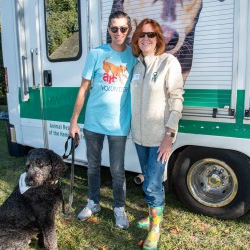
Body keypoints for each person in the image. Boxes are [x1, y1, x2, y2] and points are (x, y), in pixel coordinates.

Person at [68, 11, 137, 229]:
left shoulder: (133, 57)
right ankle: (93, 202)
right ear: (108, 30)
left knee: (117, 170)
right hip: (93, 124)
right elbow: (83, 89)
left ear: (128, 31)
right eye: (114, 29)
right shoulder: (96, 54)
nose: (118, 33)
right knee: (93, 167)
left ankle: (119, 208)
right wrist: (74, 121)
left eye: (123, 29)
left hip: (118, 125)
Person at [130, 19, 184, 249]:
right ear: (136, 39)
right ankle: (153, 216)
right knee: (150, 180)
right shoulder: (135, 65)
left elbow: (176, 99)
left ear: (158, 39)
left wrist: (169, 135)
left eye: (151, 35)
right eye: (142, 35)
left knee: (151, 184)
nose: (146, 38)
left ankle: (155, 229)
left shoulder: (168, 62)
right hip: (139, 137)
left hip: (159, 137)